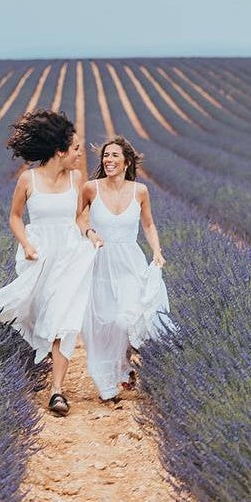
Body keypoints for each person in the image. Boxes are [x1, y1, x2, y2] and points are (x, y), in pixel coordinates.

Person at [0, 110, 96, 416]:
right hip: (39, 256)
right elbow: (15, 217)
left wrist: (90, 233)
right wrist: (27, 244)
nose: (80, 153)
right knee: (34, 313)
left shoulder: (76, 179)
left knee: (63, 321)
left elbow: (79, 217)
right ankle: (21, 369)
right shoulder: (28, 179)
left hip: (70, 255)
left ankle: (57, 390)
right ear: (60, 151)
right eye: (75, 148)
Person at [79, 136, 171, 402]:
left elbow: (148, 224)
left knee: (126, 318)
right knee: (104, 323)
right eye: (106, 156)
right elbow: (78, 216)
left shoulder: (140, 191)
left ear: (127, 162)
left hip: (130, 262)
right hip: (100, 263)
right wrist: (89, 232)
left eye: (114, 155)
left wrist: (157, 251)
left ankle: (123, 364)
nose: (108, 160)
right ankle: (110, 380)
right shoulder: (91, 188)